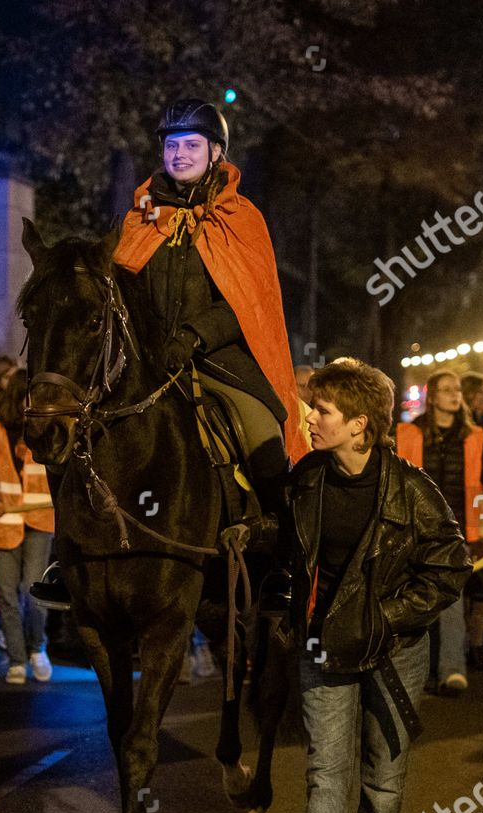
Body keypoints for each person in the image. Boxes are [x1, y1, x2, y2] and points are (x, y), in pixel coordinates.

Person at [273, 358, 469, 813]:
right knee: (326, 771)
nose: (310, 417)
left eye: (323, 410)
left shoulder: (413, 490)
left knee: (383, 774)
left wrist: (384, 620)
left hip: (394, 652)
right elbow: (289, 543)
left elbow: (450, 568)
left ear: (360, 424)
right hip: (324, 646)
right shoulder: (306, 477)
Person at [109, 97, 310, 608]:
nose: (178, 154)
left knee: (265, 433)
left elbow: (247, 300)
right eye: (171, 145)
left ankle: (286, 556)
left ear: (216, 152)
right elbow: (122, 286)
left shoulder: (240, 218)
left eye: (191, 145)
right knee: (90, 430)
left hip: (216, 355)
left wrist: (193, 336)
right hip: (150, 359)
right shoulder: (143, 215)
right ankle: (75, 558)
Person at [394, 370, 483, 693]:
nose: (455, 395)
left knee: (452, 601)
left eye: (457, 390)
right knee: (417, 604)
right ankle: (416, 672)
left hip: (454, 534)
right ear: (433, 396)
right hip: (415, 532)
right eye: (447, 389)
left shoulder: (473, 437)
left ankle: (452, 670)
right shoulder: (408, 434)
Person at [0, 371, 55, 684]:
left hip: (39, 519)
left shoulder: (47, 430)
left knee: (33, 592)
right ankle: (17, 659)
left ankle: (37, 647)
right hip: (2, 524)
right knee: (7, 596)